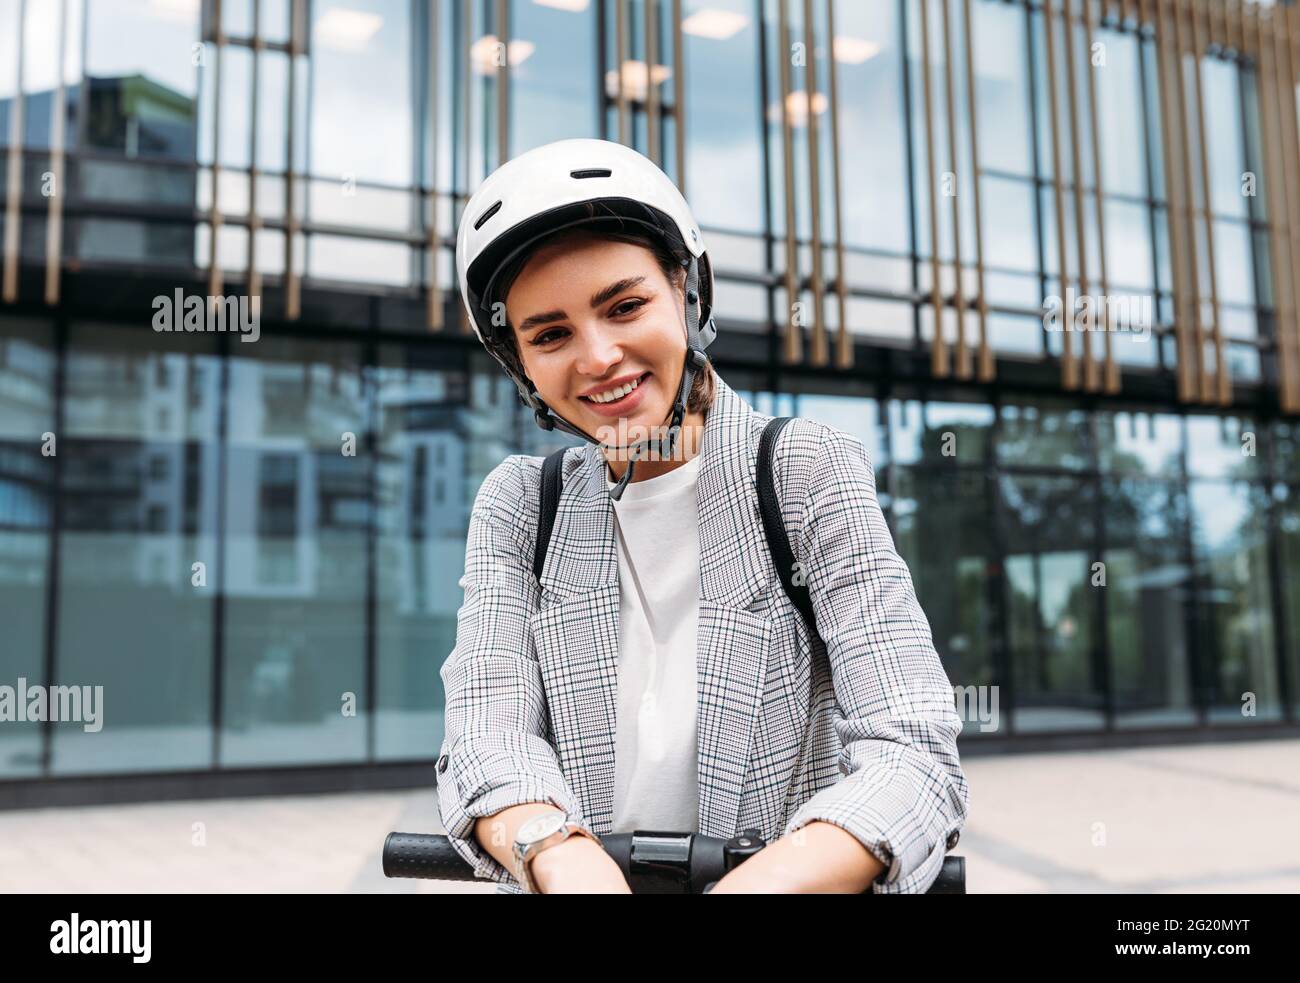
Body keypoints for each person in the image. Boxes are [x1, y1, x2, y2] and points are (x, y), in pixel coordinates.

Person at [437, 137, 969, 894]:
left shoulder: (801, 471)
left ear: (686, 292)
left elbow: (911, 749)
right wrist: (557, 850)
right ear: (520, 363)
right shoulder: (523, 504)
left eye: (625, 306)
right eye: (550, 334)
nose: (597, 357)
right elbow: (488, 733)